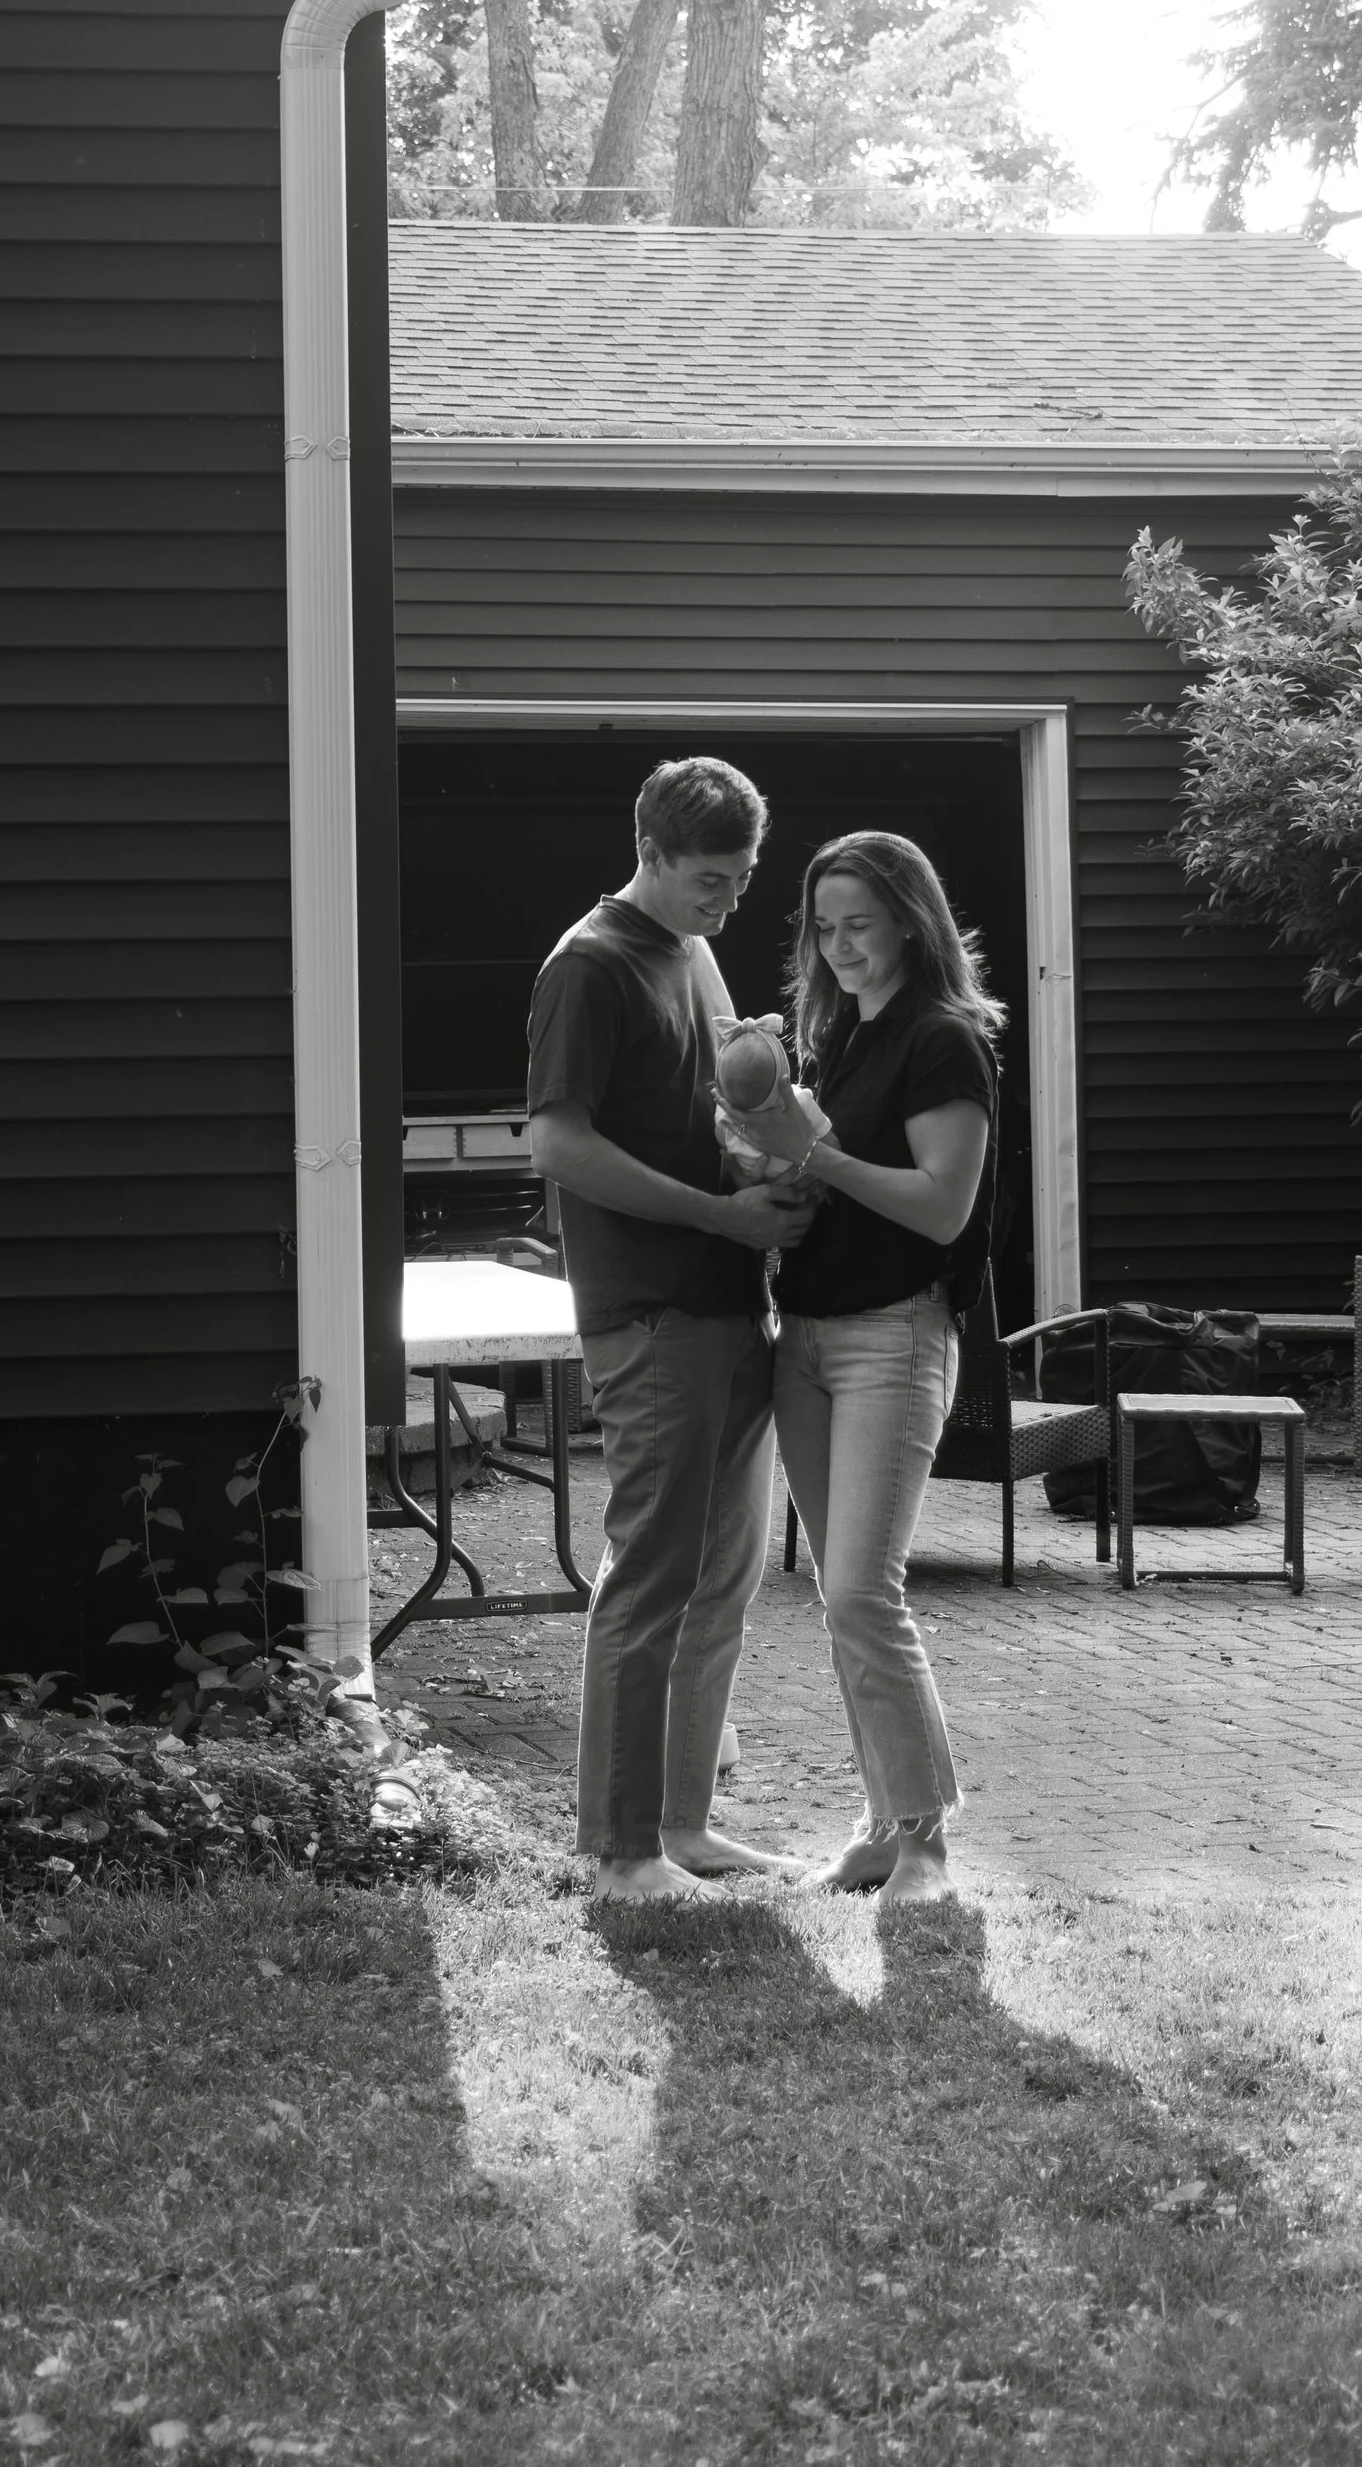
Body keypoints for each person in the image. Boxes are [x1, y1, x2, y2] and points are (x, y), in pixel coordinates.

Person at [525, 755, 818, 1903]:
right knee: (650, 1575)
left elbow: (698, 1112)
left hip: (729, 1296)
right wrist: (717, 1211)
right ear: (649, 850)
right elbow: (557, 1143)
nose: (728, 901)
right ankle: (617, 1852)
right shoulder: (588, 964)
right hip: (650, 1310)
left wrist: (768, 1156)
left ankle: (684, 1830)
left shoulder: (692, 952)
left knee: (723, 1576)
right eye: (710, 877)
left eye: (744, 881)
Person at [723, 831, 1001, 1901]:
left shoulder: (941, 1038)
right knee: (844, 1603)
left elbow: (941, 1204)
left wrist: (815, 1152)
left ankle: (924, 1840)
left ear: (908, 922)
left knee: (859, 1589)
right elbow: (826, 1184)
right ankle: (885, 1824)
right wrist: (762, 1161)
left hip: (895, 1331)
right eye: (823, 926)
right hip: (808, 1336)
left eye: (861, 924)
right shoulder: (838, 1034)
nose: (839, 945)